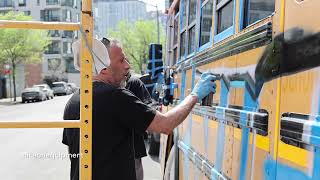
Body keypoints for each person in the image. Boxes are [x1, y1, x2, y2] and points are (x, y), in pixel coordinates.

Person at [62, 38, 216, 180]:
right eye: (121, 60)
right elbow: (165, 124)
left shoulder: (73, 102)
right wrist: (195, 94)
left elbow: (74, 154)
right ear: (104, 69)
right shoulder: (115, 96)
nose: (127, 66)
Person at [126, 74, 153, 180]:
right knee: (135, 164)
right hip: (133, 130)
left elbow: (147, 105)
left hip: (134, 131)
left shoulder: (134, 82)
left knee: (136, 163)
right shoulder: (134, 82)